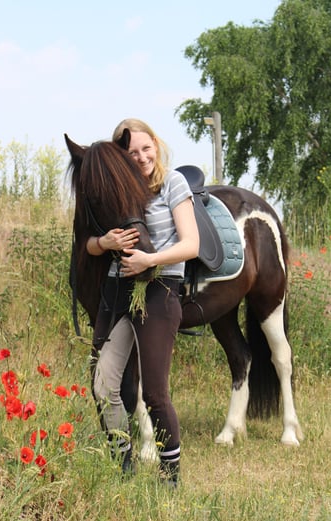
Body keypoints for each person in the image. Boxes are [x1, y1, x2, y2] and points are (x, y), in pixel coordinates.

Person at [85, 118, 199, 487]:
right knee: (103, 384)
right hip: (120, 291)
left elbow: (190, 244)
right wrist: (107, 243)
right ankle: (124, 466)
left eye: (146, 148)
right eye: (132, 152)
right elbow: (89, 243)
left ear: (156, 144)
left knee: (153, 391)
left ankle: (169, 479)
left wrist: (149, 260)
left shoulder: (173, 183)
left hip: (160, 287)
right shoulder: (120, 186)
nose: (141, 157)